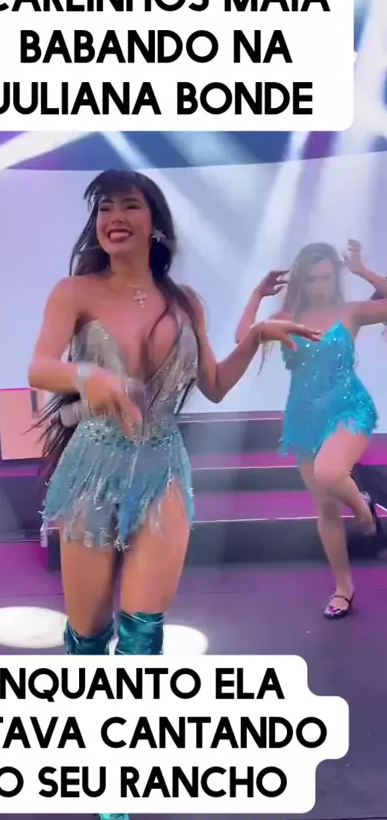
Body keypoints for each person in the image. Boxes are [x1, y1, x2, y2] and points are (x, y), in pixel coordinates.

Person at [28, 169, 319, 820]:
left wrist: (256, 336)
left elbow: (212, 384)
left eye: (129, 205)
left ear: (155, 223)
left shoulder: (185, 300)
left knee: (142, 636)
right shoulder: (74, 291)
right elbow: (40, 366)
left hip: (163, 468)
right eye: (104, 208)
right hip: (91, 468)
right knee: (87, 636)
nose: (114, 217)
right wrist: (89, 375)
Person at [235, 240, 387, 619]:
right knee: (326, 508)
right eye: (312, 278)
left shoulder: (350, 312)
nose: (320, 285)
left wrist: (363, 271)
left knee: (330, 472)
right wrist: (257, 295)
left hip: (350, 407)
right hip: (304, 417)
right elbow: (242, 339)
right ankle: (343, 588)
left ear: (336, 277)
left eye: (326, 277)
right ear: (300, 281)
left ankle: (365, 510)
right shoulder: (286, 316)